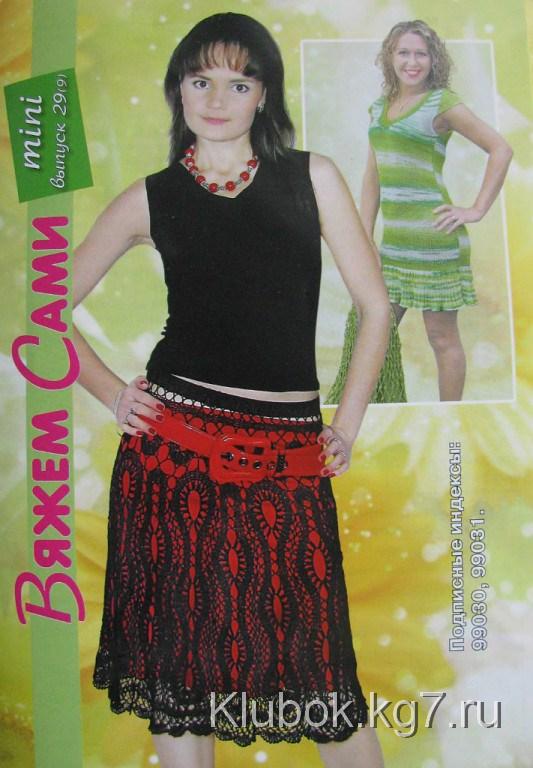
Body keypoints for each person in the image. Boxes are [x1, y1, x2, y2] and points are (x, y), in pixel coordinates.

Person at [73, 13, 389, 768]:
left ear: (264, 95)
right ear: (177, 90)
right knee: (180, 678)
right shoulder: (149, 197)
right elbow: (41, 313)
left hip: (288, 458)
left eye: (238, 83)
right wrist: (111, 392)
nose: (217, 99)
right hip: (173, 458)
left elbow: (376, 307)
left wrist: (345, 424)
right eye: (200, 80)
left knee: (323, 687)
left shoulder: (312, 177)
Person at [358, 19, 513, 401]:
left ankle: (450, 415)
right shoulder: (379, 108)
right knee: (373, 333)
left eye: (421, 54)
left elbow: (501, 148)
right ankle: (377, 411)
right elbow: (373, 175)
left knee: (441, 337)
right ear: (390, 56)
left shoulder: (441, 103)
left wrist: (476, 209)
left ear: (433, 60)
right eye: (404, 52)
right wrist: (363, 234)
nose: (412, 62)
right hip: (393, 245)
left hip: (435, 241)